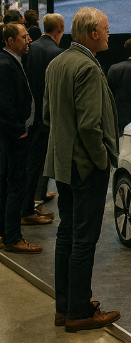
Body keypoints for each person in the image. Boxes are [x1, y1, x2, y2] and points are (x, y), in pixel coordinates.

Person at [43, 7, 121, 331]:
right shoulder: (87, 67)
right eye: (106, 28)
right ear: (93, 33)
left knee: (67, 234)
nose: (108, 33)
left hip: (63, 165)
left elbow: (47, 115)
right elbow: (90, 126)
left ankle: (65, 308)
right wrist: (102, 160)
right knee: (84, 240)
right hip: (86, 167)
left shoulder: (57, 63)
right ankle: (78, 312)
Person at [0, 23, 46, 253]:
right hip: (14, 137)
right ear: (10, 41)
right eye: (23, 37)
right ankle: (13, 238)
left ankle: (5, 233)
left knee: (9, 184)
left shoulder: (13, 61)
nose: (28, 40)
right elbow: (4, 103)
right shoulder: (5, 64)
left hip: (15, 134)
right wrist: (19, 129)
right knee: (15, 185)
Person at [22, 13, 65, 222]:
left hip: (30, 115)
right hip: (46, 117)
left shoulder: (31, 48)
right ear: (61, 28)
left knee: (31, 163)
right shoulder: (57, 53)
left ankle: (29, 205)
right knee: (36, 165)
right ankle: (27, 210)